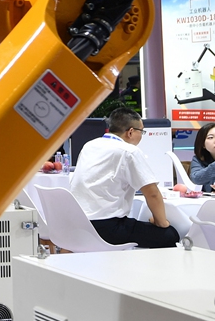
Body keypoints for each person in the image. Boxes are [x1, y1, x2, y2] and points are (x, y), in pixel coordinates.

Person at [68, 107, 178, 249]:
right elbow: (152, 193)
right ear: (131, 132)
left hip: (77, 224)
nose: (142, 136)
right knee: (170, 235)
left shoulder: (90, 145)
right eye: (142, 131)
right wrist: (161, 222)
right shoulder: (129, 151)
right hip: (106, 228)